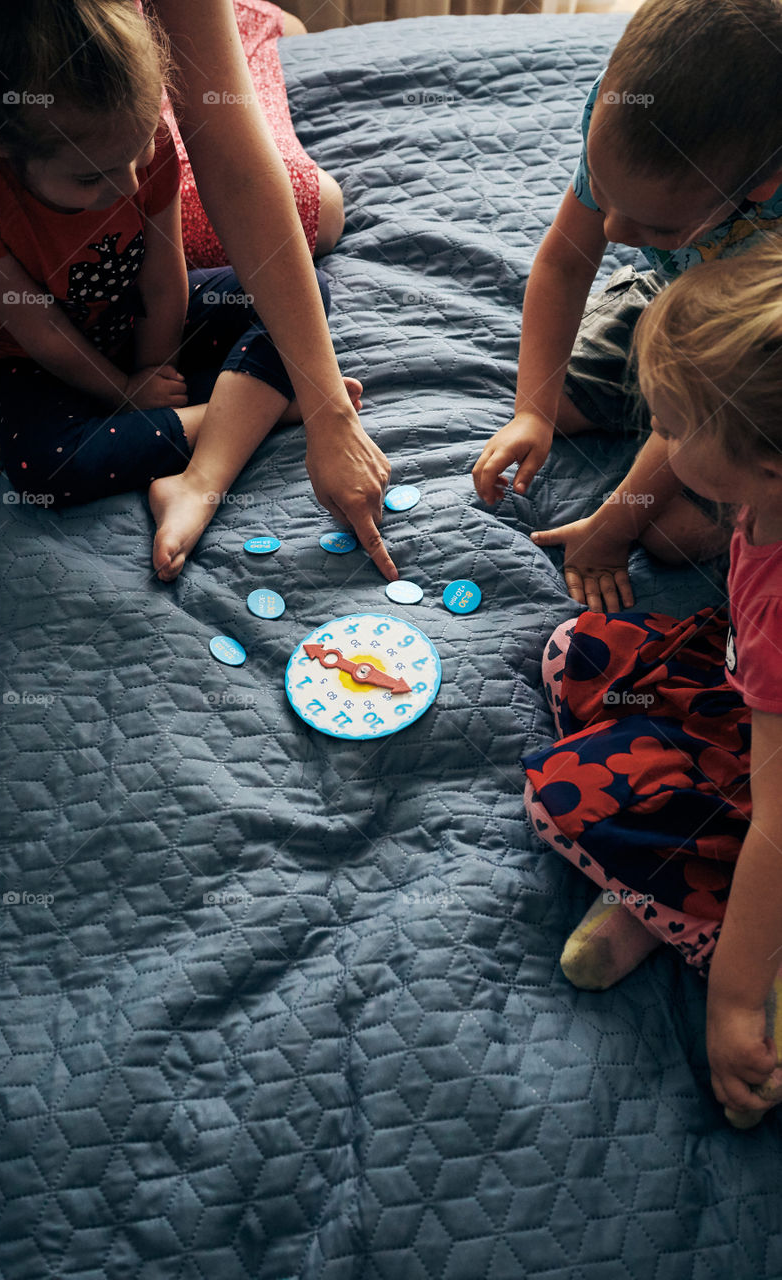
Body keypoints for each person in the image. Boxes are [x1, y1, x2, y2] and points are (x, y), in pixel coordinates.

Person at [0, 0, 397, 580]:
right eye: (89, 177)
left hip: (141, 327)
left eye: (138, 158)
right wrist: (125, 390)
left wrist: (157, 365)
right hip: (44, 358)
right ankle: (259, 407)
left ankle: (200, 482)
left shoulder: (136, 139)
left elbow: (163, 273)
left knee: (301, 285)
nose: (126, 187)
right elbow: (40, 332)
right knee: (42, 464)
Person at [522, 236, 782, 1128]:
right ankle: (673, 890)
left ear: (765, 467)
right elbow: (672, 488)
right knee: (580, 652)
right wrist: (613, 522)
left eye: (671, 423)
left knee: (565, 795)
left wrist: (735, 1008)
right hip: (750, 699)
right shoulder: (760, 488)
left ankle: (726, 941)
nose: (656, 434)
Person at [472, 0, 782, 610]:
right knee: (552, 395)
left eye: (656, 228)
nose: (611, 231)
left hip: (757, 363)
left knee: (672, 536)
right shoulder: (622, 123)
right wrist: (530, 411)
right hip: (683, 305)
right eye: (604, 195)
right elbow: (563, 262)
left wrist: (610, 530)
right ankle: (650, 293)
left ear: (758, 192)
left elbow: (703, 401)